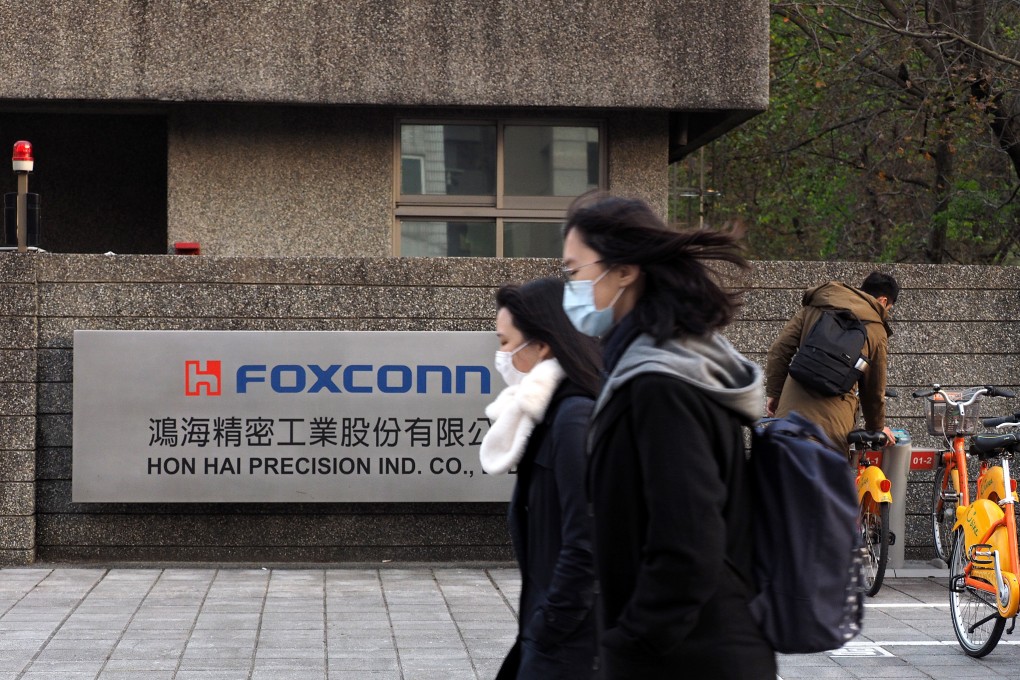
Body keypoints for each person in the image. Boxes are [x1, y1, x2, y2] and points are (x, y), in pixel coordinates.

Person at [560, 193, 776, 678]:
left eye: (574, 271)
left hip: (690, 656)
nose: (569, 286)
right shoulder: (665, 363)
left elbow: (688, 543)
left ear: (624, 271)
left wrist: (631, 642)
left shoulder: (660, 384)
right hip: (694, 646)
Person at [480, 277, 602, 680]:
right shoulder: (548, 414)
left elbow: (586, 540)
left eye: (505, 342)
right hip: (553, 635)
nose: (501, 356)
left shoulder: (574, 418)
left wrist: (549, 626)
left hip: (572, 646)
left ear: (542, 345)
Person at [765, 271, 898, 452]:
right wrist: (876, 427)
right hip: (832, 429)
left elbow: (779, 350)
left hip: (790, 418)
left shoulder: (815, 308)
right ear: (883, 301)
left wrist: (774, 393)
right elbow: (873, 388)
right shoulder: (876, 329)